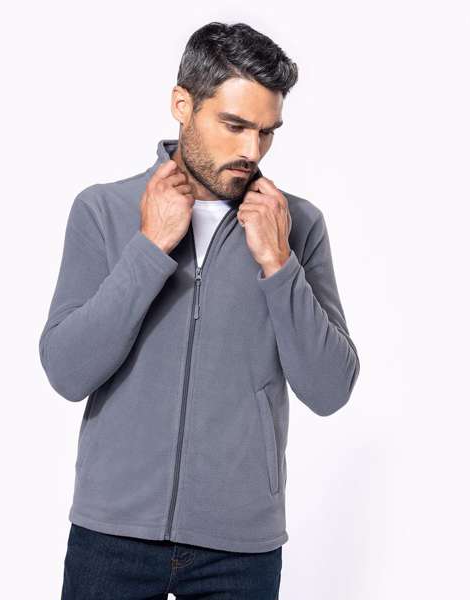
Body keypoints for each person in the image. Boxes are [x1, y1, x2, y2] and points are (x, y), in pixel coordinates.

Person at [39, 21, 360, 600]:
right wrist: (149, 247)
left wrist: (278, 263)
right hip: (111, 534)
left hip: (240, 549)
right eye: (234, 126)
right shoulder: (104, 210)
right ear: (182, 105)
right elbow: (67, 370)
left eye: (266, 132)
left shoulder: (296, 225)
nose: (251, 152)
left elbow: (330, 389)